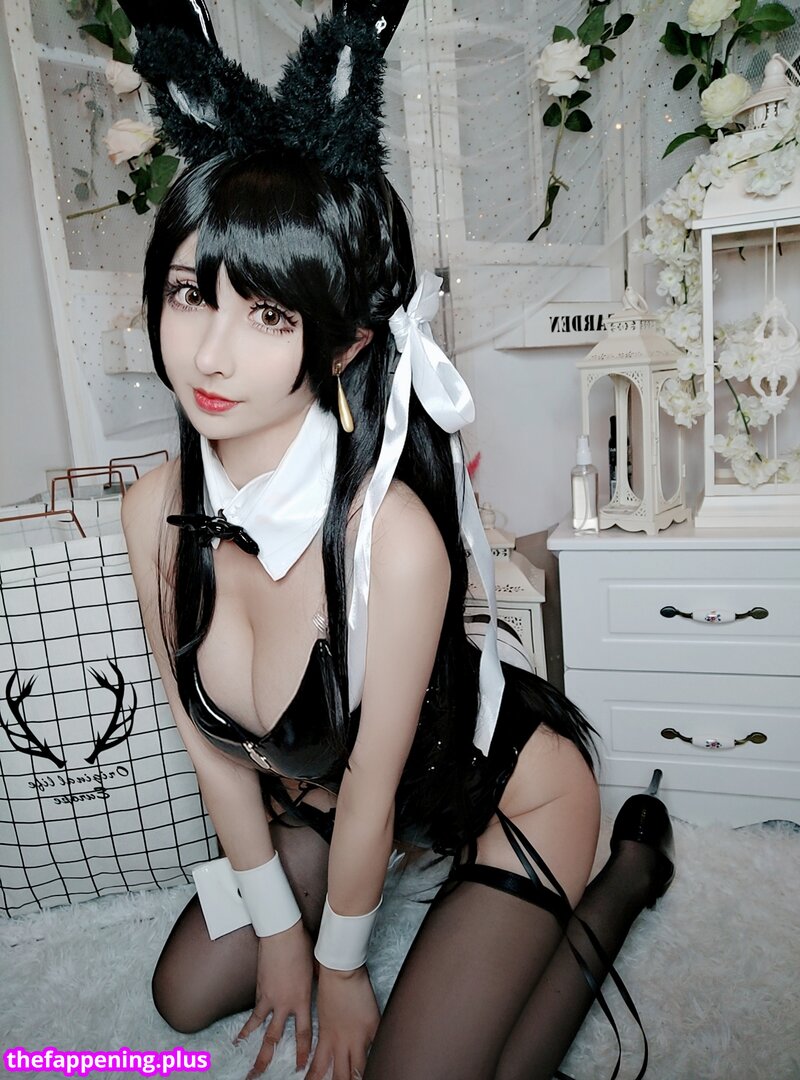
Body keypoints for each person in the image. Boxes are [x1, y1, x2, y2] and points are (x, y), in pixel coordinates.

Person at [120, 4, 675, 1079]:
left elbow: (375, 787)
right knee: (181, 995)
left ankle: (626, 878)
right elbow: (211, 750)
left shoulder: (395, 541)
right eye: (191, 295)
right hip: (326, 806)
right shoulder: (152, 510)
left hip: (505, 790)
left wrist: (339, 966)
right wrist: (279, 937)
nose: (211, 354)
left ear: (346, 343)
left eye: (271, 315)